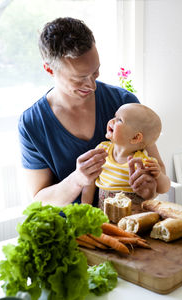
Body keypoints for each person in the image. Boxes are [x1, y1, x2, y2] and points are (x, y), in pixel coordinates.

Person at [18, 17, 167, 207]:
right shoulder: (32, 124)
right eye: (79, 78)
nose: (91, 85)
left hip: (124, 224)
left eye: (95, 72)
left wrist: (149, 188)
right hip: (71, 230)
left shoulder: (124, 103)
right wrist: (78, 179)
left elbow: (159, 173)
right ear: (49, 69)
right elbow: (40, 200)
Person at [81, 103, 170, 207]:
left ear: (135, 138)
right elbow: (89, 182)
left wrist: (158, 175)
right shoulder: (101, 150)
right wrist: (85, 206)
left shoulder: (143, 162)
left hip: (133, 218)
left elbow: (164, 188)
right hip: (104, 214)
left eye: (119, 120)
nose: (112, 121)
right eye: (115, 116)